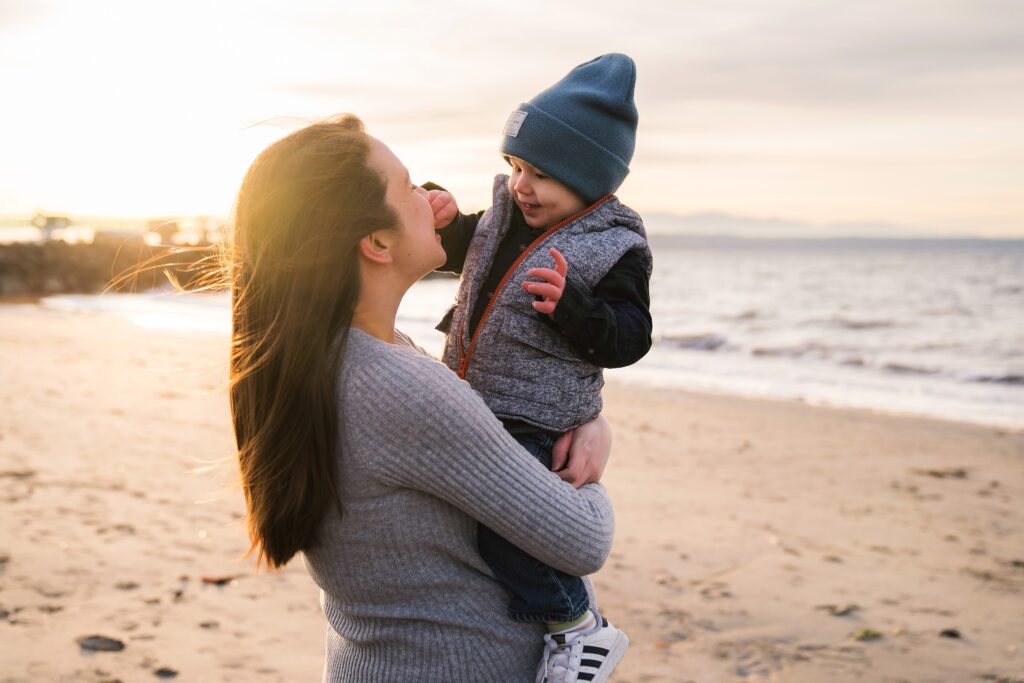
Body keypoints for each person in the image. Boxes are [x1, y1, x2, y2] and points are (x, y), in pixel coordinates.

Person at [228, 114, 618, 683]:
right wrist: (593, 457)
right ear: (378, 243)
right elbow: (582, 541)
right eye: (410, 186)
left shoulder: (331, 359)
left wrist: (590, 420)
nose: (430, 197)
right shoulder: (397, 387)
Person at [425, 53, 653, 682]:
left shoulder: (614, 249)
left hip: (538, 416)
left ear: (590, 177)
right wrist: (437, 214)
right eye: (515, 166)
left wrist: (575, 311)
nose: (521, 184)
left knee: (505, 528)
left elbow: (631, 338)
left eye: (541, 173)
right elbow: (454, 252)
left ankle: (575, 625)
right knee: (476, 522)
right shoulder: (504, 219)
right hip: (478, 397)